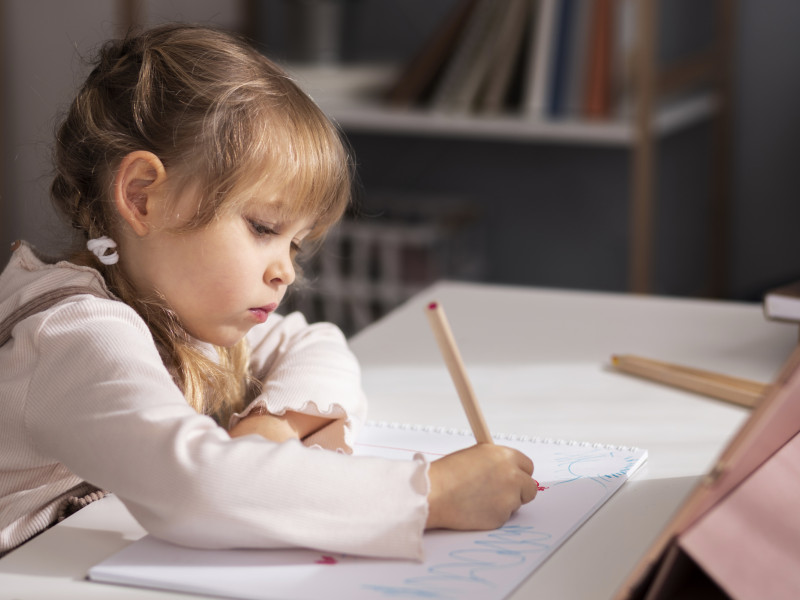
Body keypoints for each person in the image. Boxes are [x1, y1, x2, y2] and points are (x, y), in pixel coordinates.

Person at [0, 23, 537, 558]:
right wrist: (431, 495)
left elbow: (316, 342)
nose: (286, 272)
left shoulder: (180, 312)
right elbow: (199, 492)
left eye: (297, 245)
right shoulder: (75, 335)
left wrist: (270, 425)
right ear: (143, 197)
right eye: (262, 227)